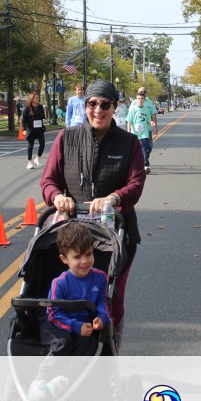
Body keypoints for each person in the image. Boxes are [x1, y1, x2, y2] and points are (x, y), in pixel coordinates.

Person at [41, 79, 146, 347]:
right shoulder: (67, 138)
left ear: (115, 107)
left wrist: (114, 198)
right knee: (66, 289)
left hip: (116, 235)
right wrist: (57, 197)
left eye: (105, 104)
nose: (98, 110)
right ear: (85, 104)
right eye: (92, 103)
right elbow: (48, 181)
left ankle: (111, 344)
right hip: (73, 235)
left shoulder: (129, 143)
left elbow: (135, 184)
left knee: (112, 294)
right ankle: (68, 336)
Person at [28, 223, 109, 400]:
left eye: (88, 254)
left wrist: (102, 318)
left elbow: (102, 303)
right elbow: (54, 315)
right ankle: (40, 380)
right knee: (63, 342)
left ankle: (64, 379)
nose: (85, 261)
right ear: (64, 259)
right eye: (77, 257)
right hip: (57, 324)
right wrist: (76, 327)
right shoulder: (60, 283)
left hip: (82, 325)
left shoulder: (100, 278)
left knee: (89, 345)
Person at [127, 87, 158, 173]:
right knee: (136, 149)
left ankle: (144, 163)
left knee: (147, 148)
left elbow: (152, 116)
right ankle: (139, 164)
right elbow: (129, 120)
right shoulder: (133, 105)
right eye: (141, 92)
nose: (140, 99)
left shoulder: (148, 104)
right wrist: (129, 131)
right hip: (135, 132)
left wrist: (154, 125)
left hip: (145, 131)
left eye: (144, 92)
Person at [23, 92, 47, 169]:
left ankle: (37, 158)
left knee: (42, 144)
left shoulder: (40, 107)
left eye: (38, 98)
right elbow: (23, 120)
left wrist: (45, 121)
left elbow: (43, 117)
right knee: (31, 145)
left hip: (39, 129)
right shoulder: (27, 108)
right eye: (36, 98)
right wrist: (24, 130)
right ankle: (29, 162)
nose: (38, 99)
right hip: (30, 129)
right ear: (32, 99)